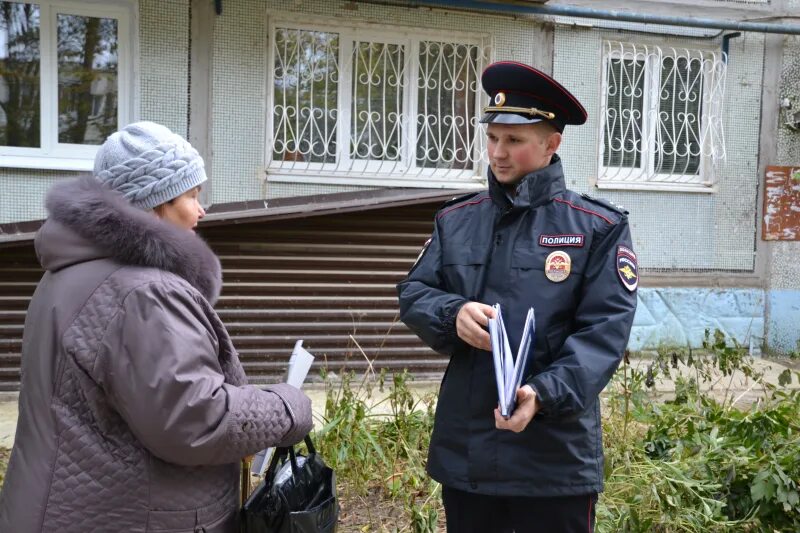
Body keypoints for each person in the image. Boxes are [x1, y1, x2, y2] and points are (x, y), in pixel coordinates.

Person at [0, 122, 313, 532]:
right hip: (128, 516)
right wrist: (289, 406)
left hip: (60, 506)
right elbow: (195, 419)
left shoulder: (68, 274)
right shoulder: (144, 292)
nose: (202, 210)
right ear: (153, 203)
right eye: (192, 195)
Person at [397, 61, 639, 532]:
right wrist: (453, 313)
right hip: (469, 453)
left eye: (515, 141)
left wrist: (543, 392)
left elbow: (604, 333)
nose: (498, 153)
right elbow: (414, 292)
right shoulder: (457, 219)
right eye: (493, 138)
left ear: (552, 144)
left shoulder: (597, 228)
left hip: (554, 460)